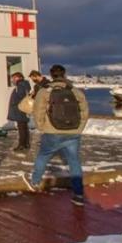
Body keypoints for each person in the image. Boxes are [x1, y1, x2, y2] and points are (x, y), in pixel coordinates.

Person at [21, 64, 90, 206]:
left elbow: (38, 111)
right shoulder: (75, 91)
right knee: (74, 161)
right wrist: (79, 128)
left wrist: (42, 127)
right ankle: (78, 194)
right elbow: (84, 112)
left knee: (43, 156)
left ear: (51, 75)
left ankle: (35, 182)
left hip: (51, 131)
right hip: (73, 132)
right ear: (64, 74)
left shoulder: (45, 91)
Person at [7, 72, 31, 151]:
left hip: (20, 110)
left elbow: (21, 96)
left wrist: (14, 103)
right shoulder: (24, 85)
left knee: (21, 128)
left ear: (19, 78)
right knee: (24, 126)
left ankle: (22, 144)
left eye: (14, 78)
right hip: (22, 109)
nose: (13, 80)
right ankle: (26, 143)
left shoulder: (20, 86)